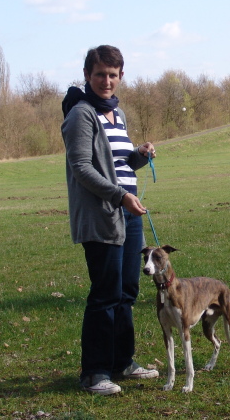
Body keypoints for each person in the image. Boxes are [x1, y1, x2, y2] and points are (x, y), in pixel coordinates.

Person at [61, 45, 158, 395]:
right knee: (105, 292)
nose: (107, 81)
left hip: (128, 215)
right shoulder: (81, 114)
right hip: (103, 216)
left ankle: (122, 361)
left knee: (127, 290)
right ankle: (95, 372)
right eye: (100, 74)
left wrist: (139, 157)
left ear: (121, 76)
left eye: (113, 74)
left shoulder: (118, 114)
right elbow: (82, 168)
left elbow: (117, 165)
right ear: (88, 75)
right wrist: (120, 196)